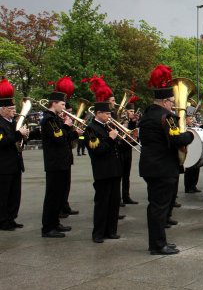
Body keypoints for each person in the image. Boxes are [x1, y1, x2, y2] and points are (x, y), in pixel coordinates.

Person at [139, 65, 194, 255]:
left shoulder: (147, 115)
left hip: (150, 165)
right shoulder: (166, 117)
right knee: (159, 208)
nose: (173, 104)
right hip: (163, 167)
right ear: (164, 101)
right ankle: (157, 244)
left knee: (156, 206)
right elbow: (177, 139)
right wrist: (190, 135)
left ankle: (158, 241)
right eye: (172, 101)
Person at [41, 79, 81, 238]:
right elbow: (58, 138)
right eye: (63, 105)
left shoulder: (57, 119)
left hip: (62, 162)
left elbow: (66, 138)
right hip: (55, 163)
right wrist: (66, 126)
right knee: (52, 195)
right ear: (54, 103)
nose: (65, 107)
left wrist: (74, 131)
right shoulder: (48, 120)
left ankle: (55, 223)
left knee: (59, 195)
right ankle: (48, 227)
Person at [85, 98, 122, 243]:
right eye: (107, 114)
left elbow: (117, 147)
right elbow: (98, 150)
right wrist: (111, 138)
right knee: (102, 203)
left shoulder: (107, 127)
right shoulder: (91, 129)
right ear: (98, 113)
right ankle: (98, 233)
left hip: (115, 170)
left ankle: (111, 231)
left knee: (114, 202)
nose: (109, 116)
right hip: (103, 171)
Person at [0, 79, 29, 231]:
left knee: (15, 194)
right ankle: (3, 221)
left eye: (14, 107)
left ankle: (11, 218)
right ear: (2, 109)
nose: (14, 110)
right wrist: (19, 134)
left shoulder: (12, 122)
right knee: (4, 195)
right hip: (4, 166)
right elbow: (2, 142)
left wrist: (26, 135)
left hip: (16, 164)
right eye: (11, 108)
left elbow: (18, 139)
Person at [121, 97, 139, 204]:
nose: (132, 113)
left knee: (126, 174)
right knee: (120, 174)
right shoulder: (121, 119)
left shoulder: (131, 121)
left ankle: (126, 196)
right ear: (126, 111)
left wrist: (133, 122)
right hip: (120, 148)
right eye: (131, 111)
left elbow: (132, 133)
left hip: (128, 149)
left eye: (133, 111)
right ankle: (119, 198)